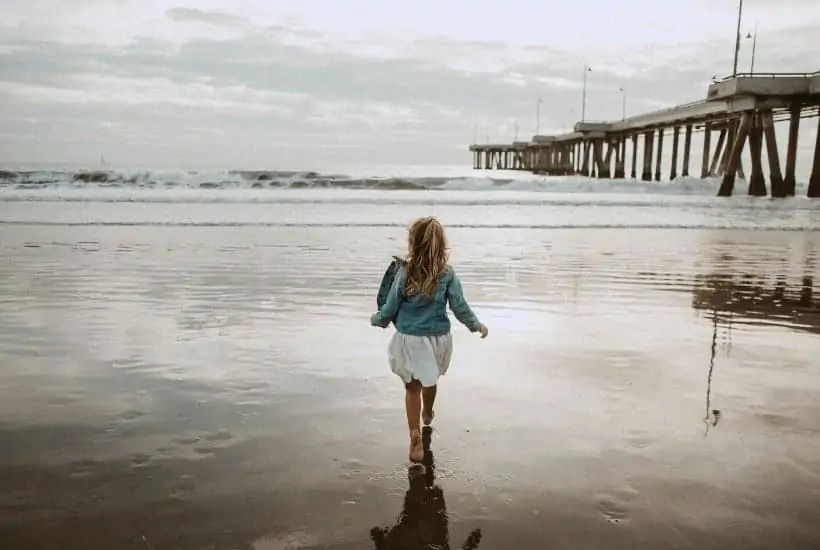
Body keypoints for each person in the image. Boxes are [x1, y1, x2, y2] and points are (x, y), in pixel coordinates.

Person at [371, 216, 488, 463]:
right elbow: (459, 306)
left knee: (411, 387)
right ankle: (428, 412)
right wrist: (475, 324)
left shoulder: (404, 273)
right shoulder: (447, 274)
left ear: (413, 245)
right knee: (429, 380)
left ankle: (414, 435)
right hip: (437, 339)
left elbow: (391, 306)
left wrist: (378, 319)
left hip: (410, 339)